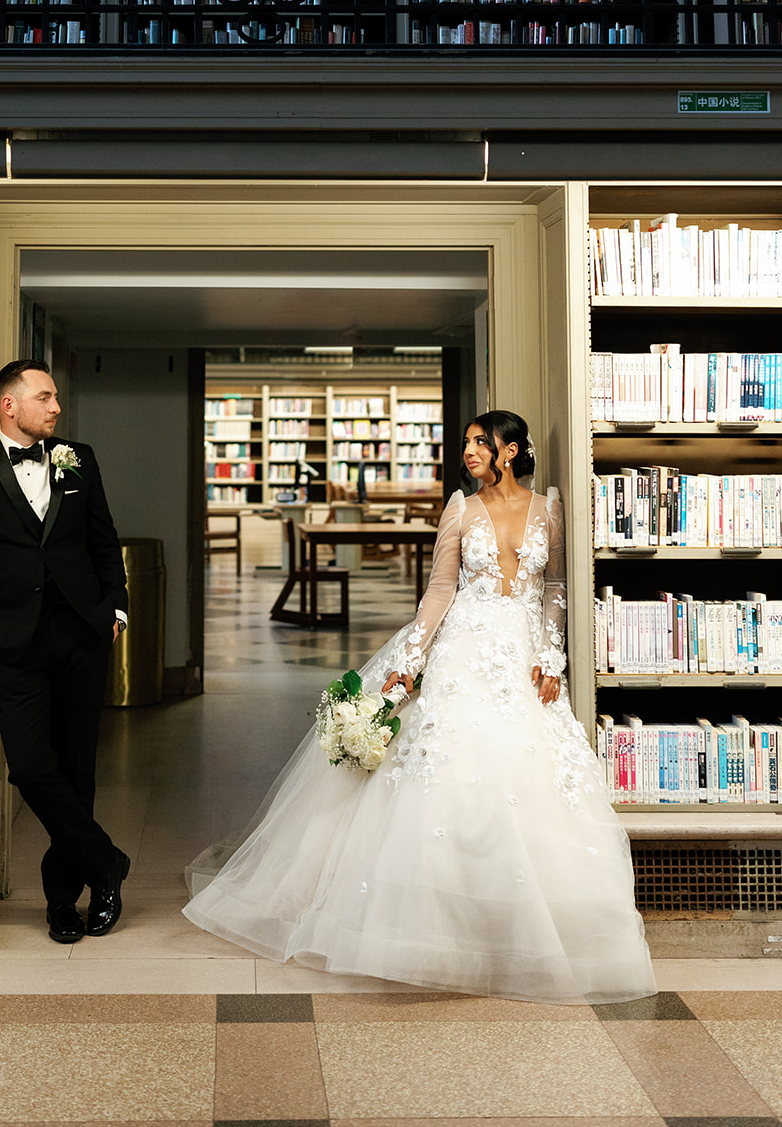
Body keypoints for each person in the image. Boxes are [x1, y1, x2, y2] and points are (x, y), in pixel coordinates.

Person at [184, 410, 655, 1004]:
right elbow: (440, 591)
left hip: (523, 656)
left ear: (510, 451)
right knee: (452, 775)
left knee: (535, 778)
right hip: (465, 650)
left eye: (478, 444)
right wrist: (408, 661)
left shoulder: (550, 511)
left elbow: (555, 588)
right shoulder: (459, 508)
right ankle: (441, 929)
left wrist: (552, 655)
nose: (468, 453)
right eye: (466, 445)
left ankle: (521, 925)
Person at [0, 358, 131, 944]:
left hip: (81, 633)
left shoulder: (79, 458)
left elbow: (104, 537)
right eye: (45, 397)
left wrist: (117, 609)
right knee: (29, 767)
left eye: (55, 398)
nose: (56, 407)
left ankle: (62, 904)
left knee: (77, 772)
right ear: (10, 405)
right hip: (9, 643)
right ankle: (107, 863)